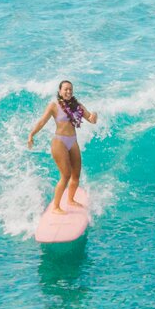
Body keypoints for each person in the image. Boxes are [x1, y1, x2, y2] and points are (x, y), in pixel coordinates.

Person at [27, 80, 98, 215]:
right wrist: (31, 135)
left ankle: (70, 200)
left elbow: (91, 119)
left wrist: (94, 116)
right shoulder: (54, 106)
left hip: (73, 141)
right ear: (60, 91)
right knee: (65, 175)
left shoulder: (77, 106)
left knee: (76, 174)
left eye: (70, 89)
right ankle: (56, 207)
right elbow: (42, 121)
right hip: (59, 142)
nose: (68, 92)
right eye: (65, 89)